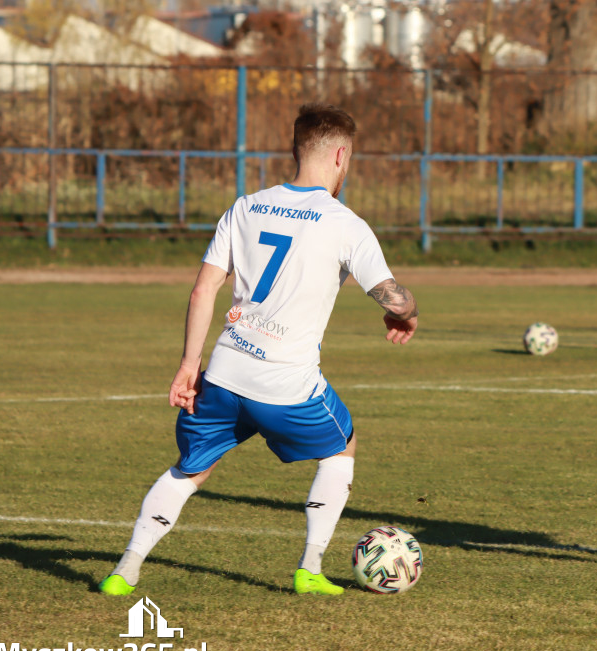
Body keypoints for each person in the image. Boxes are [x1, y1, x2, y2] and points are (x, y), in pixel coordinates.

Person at [99, 103, 418, 596]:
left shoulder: (246, 206)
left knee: (191, 468)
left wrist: (189, 365)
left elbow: (203, 290)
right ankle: (310, 568)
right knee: (343, 445)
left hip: (225, 372)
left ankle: (125, 569)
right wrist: (405, 313)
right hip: (286, 384)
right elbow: (391, 294)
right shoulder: (345, 223)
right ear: (341, 155)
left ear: (295, 150)